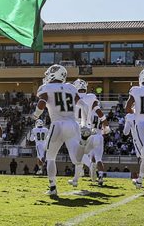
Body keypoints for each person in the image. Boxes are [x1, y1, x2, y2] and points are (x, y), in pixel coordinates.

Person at [33, 64, 84, 196]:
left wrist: (35, 115)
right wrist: (84, 121)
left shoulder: (46, 88)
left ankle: (53, 187)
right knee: (75, 156)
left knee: (50, 157)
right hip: (72, 124)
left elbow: (42, 103)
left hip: (57, 124)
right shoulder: (71, 88)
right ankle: (79, 168)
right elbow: (82, 104)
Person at [73, 79, 110, 186]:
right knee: (96, 157)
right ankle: (97, 173)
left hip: (76, 128)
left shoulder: (71, 97)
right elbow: (98, 111)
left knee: (77, 153)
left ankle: (86, 167)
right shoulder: (91, 97)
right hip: (90, 130)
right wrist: (105, 123)